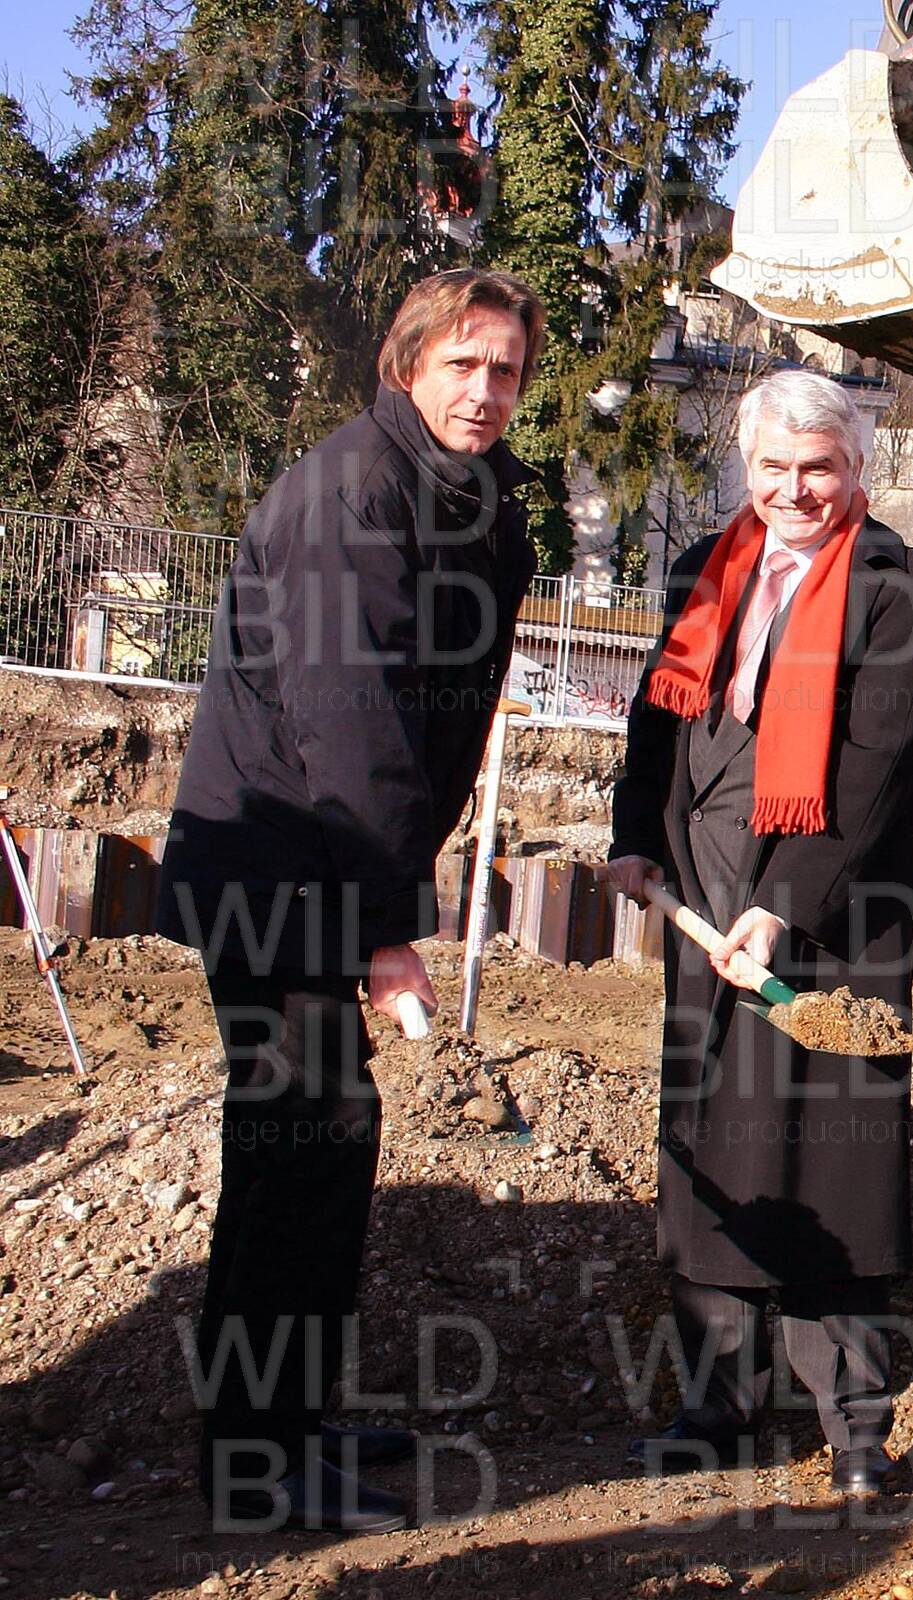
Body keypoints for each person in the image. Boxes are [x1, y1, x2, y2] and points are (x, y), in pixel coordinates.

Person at [157, 267, 546, 1533]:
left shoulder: (454, 491)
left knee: (313, 1150)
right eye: (462, 364)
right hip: (282, 873)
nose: (485, 390)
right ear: (406, 363)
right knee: (300, 1152)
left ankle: (283, 1422)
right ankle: (256, 1463)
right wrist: (387, 928)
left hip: (322, 862)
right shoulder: (351, 493)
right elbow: (350, 719)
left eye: (505, 370)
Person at [606, 370, 913, 1497]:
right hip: (704, 890)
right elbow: (656, 719)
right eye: (772, 467)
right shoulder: (704, 569)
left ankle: (854, 1427)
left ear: (857, 470)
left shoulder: (899, 586)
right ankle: (720, 1408)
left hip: (828, 908)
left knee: (823, 1152)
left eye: (818, 468)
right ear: (745, 467)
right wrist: (634, 834)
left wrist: (788, 899)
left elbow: (875, 762)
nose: (794, 490)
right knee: (712, 1140)